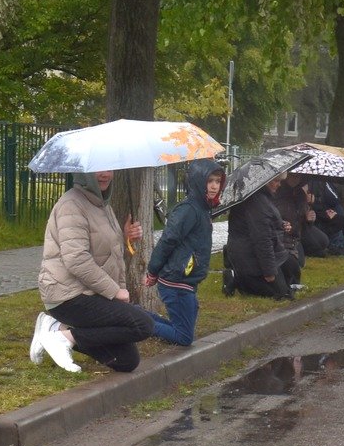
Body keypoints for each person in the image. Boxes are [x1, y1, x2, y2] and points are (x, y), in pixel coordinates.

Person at [30, 169, 156, 373]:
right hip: (67, 296)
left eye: (109, 168)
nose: (105, 174)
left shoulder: (102, 205)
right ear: (84, 172)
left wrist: (126, 239)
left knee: (126, 361)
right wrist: (115, 291)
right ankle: (62, 337)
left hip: (90, 292)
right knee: (142, 324)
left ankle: (57, 329)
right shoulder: (71, 205)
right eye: (98, 170)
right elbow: (76, 259)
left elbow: (107, 255)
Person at [144, 158, 224, 347]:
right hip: (176, 281)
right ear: (198, 181)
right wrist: (153, 271)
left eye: (218, 181)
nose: (214, 186)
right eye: (210, 181)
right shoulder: (188, 209)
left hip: (185, 280)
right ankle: (139, 322)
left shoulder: (202, 209)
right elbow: (167, 241)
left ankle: (139, 316)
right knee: (184, 337)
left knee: (181, 327)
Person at [225, 175, 297, 299]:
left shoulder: (261, 197)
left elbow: (267, 221)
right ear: (266, 180)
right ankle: (236, 279)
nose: (279, 184)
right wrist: (269, 272)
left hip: (255, 252)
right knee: (281, 294)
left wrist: (281, 224)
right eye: (276, 180)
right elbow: (262, 239)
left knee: (291, 268)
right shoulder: (257, 201)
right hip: (249, 256)